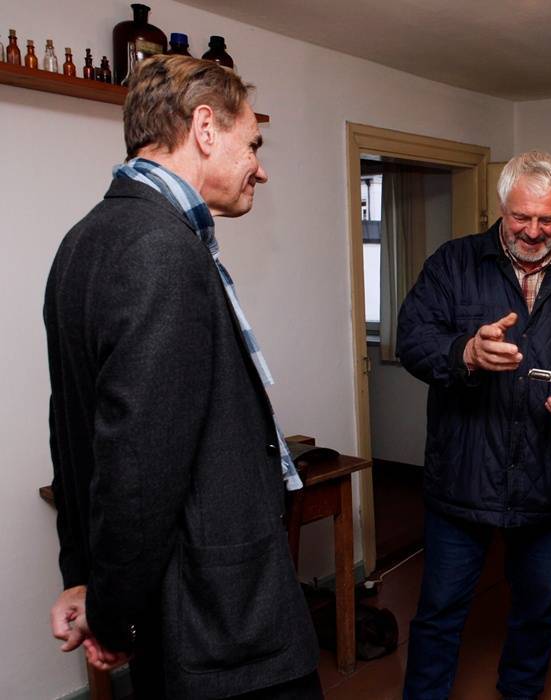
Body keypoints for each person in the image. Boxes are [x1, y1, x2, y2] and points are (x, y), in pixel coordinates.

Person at [45, 55, 321, 698]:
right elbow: (134, 466)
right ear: (204, 127)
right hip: (219, 623)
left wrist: (84, 577)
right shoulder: (161, 249)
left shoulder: (84, 239)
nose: (261, 164)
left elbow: (72, 434)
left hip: (183, 613)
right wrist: (112, 617)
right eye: (251, 142)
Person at [397, 150, 551, 700]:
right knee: (439, 613)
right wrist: (466, 353)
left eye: (546, 219)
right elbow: (413, 340)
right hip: (463, 478)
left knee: (536, 611)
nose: (533, 230)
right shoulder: (453, 264)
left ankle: (520, 693)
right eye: (521, 217)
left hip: (547, 481)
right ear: (501, 206)